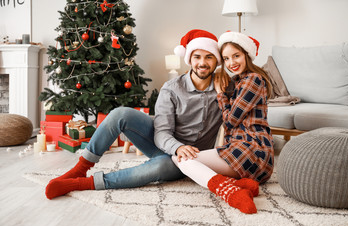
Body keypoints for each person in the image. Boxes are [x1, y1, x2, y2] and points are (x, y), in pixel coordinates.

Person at [45, 29, 258, 200]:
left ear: (217, 61)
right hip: (163, 143)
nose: (202, 62)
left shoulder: (226, 87)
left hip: (190, 159)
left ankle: (86, 184)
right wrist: (178, 147)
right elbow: (162, 132)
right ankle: (81, 168)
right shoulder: (172, 88)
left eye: (209, 57)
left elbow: (250, 92)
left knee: (163, 165)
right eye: (197, 57)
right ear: (189, 59)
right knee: (121, 113)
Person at [171, 31, 274, 214]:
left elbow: (231, 120)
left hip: (253, 151)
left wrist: (220, 93)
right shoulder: (238, 81)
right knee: (181, 159)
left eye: (236, 56)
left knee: (181, 159)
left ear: (246, 55)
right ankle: (241, 185)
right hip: (245, 156)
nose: (231, 63)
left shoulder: (253, 79)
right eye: (226, 59)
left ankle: (230, 192)